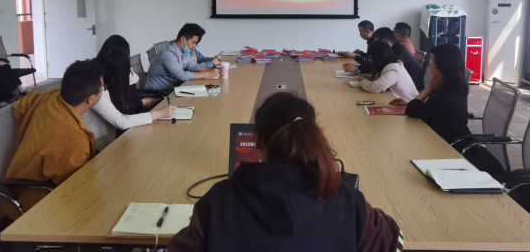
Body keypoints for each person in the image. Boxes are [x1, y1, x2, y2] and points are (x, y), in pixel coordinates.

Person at [168, 92, 403, 252]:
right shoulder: (349, 202)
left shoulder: (218, 201)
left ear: (257, 141)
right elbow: (394, 241)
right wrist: (375, 214)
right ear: (312, 137)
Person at [2, 61, 103, 223]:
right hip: (38, 206)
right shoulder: (72, 138)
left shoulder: (52, 95)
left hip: (20, 188)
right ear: (91, 99)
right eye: (102, 89)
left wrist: (36, 133)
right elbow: (76, 189)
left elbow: (19, 108)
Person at [84, 35, 176, 151]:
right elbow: (121, 121)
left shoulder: (106, 76)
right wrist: (159, 114)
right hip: (98, 146)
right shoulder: (95, 86)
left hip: (113, 137)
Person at [390, 44, 470, 143]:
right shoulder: (454, 86)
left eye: (433, 62)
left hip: (451, 145)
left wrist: (429, 88)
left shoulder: (446, 97)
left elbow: (411, 110)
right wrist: (409, 103)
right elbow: (433, 110)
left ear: (444, 66)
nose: (431, 66)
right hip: (443, 137)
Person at [146, 23, 220, 90]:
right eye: (193, 42)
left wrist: (214, 69)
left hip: (173, 88)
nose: (194, 46)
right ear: (183, 39)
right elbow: (182, 76)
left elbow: (193, 66)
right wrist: (208, 74)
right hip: (158, 94)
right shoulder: (167, 53)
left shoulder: (184, 50)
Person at [346, 27, 424, 91]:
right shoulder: (392, 50)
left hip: (411, 90)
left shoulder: (398, 54)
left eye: (378, 44)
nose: (376, 46)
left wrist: (357, 70)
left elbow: (377, 65)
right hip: (394, 86)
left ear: (386, 43)